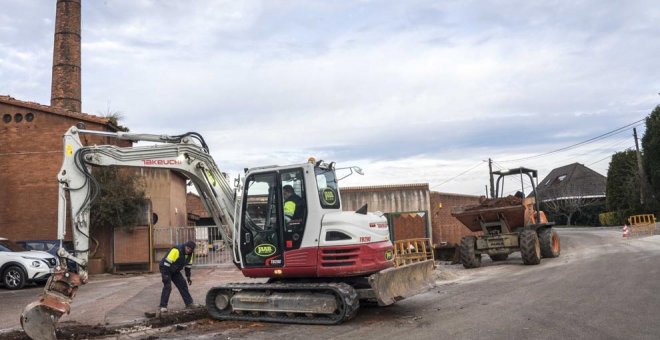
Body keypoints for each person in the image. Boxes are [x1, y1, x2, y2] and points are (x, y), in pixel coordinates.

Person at [158, 241, 200, 312]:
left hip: (175, 270)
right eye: (187, 248)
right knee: (168, 286)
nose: (188, 250)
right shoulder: (176, 250)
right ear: (185, 246)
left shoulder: (190, 254)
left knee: (182, 284)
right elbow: (166, 263)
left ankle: (189, 303)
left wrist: (188, 277)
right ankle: (163, 306)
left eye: (190, 249)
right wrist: (165, 275)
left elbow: (188, 267)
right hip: (166, 268)